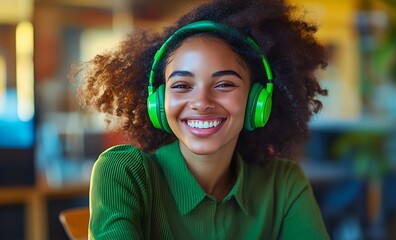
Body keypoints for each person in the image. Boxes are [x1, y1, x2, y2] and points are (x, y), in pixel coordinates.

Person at [72, 0, 330, 238]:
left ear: (256, 101)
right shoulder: (124, 173)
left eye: (224, 84)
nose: (202, 102)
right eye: (182, 85)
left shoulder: (283, 183)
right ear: (158, 103)